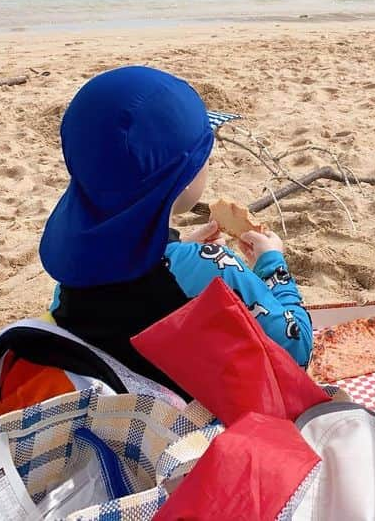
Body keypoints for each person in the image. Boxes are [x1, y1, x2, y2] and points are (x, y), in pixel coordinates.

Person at [39, 66, 313, 393]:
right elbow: (296, 349)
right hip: (191, 424)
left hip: (119, 406)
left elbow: (140, 287)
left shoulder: (76, 265)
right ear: (181, 179)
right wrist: (273, 265)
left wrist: (176, 249)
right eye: (205, 154)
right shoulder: (212, 266)